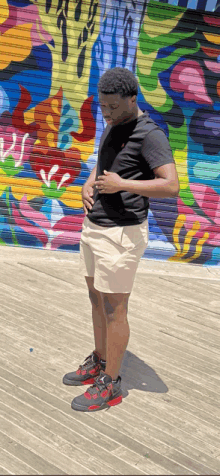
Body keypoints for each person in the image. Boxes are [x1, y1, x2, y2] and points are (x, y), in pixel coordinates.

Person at [63, 67, 179, 412]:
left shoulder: (150, 134)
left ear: (133, 98)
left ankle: (110, 383)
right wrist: (90, 181)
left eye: (113, 107)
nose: (107, 114)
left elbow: (171, 185)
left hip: (122, 234)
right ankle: (100, 360)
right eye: (103, 107)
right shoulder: (114, 124)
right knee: (95, 298)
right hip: (95, 227)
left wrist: (123, 185)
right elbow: (105, 166)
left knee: (115, 308)